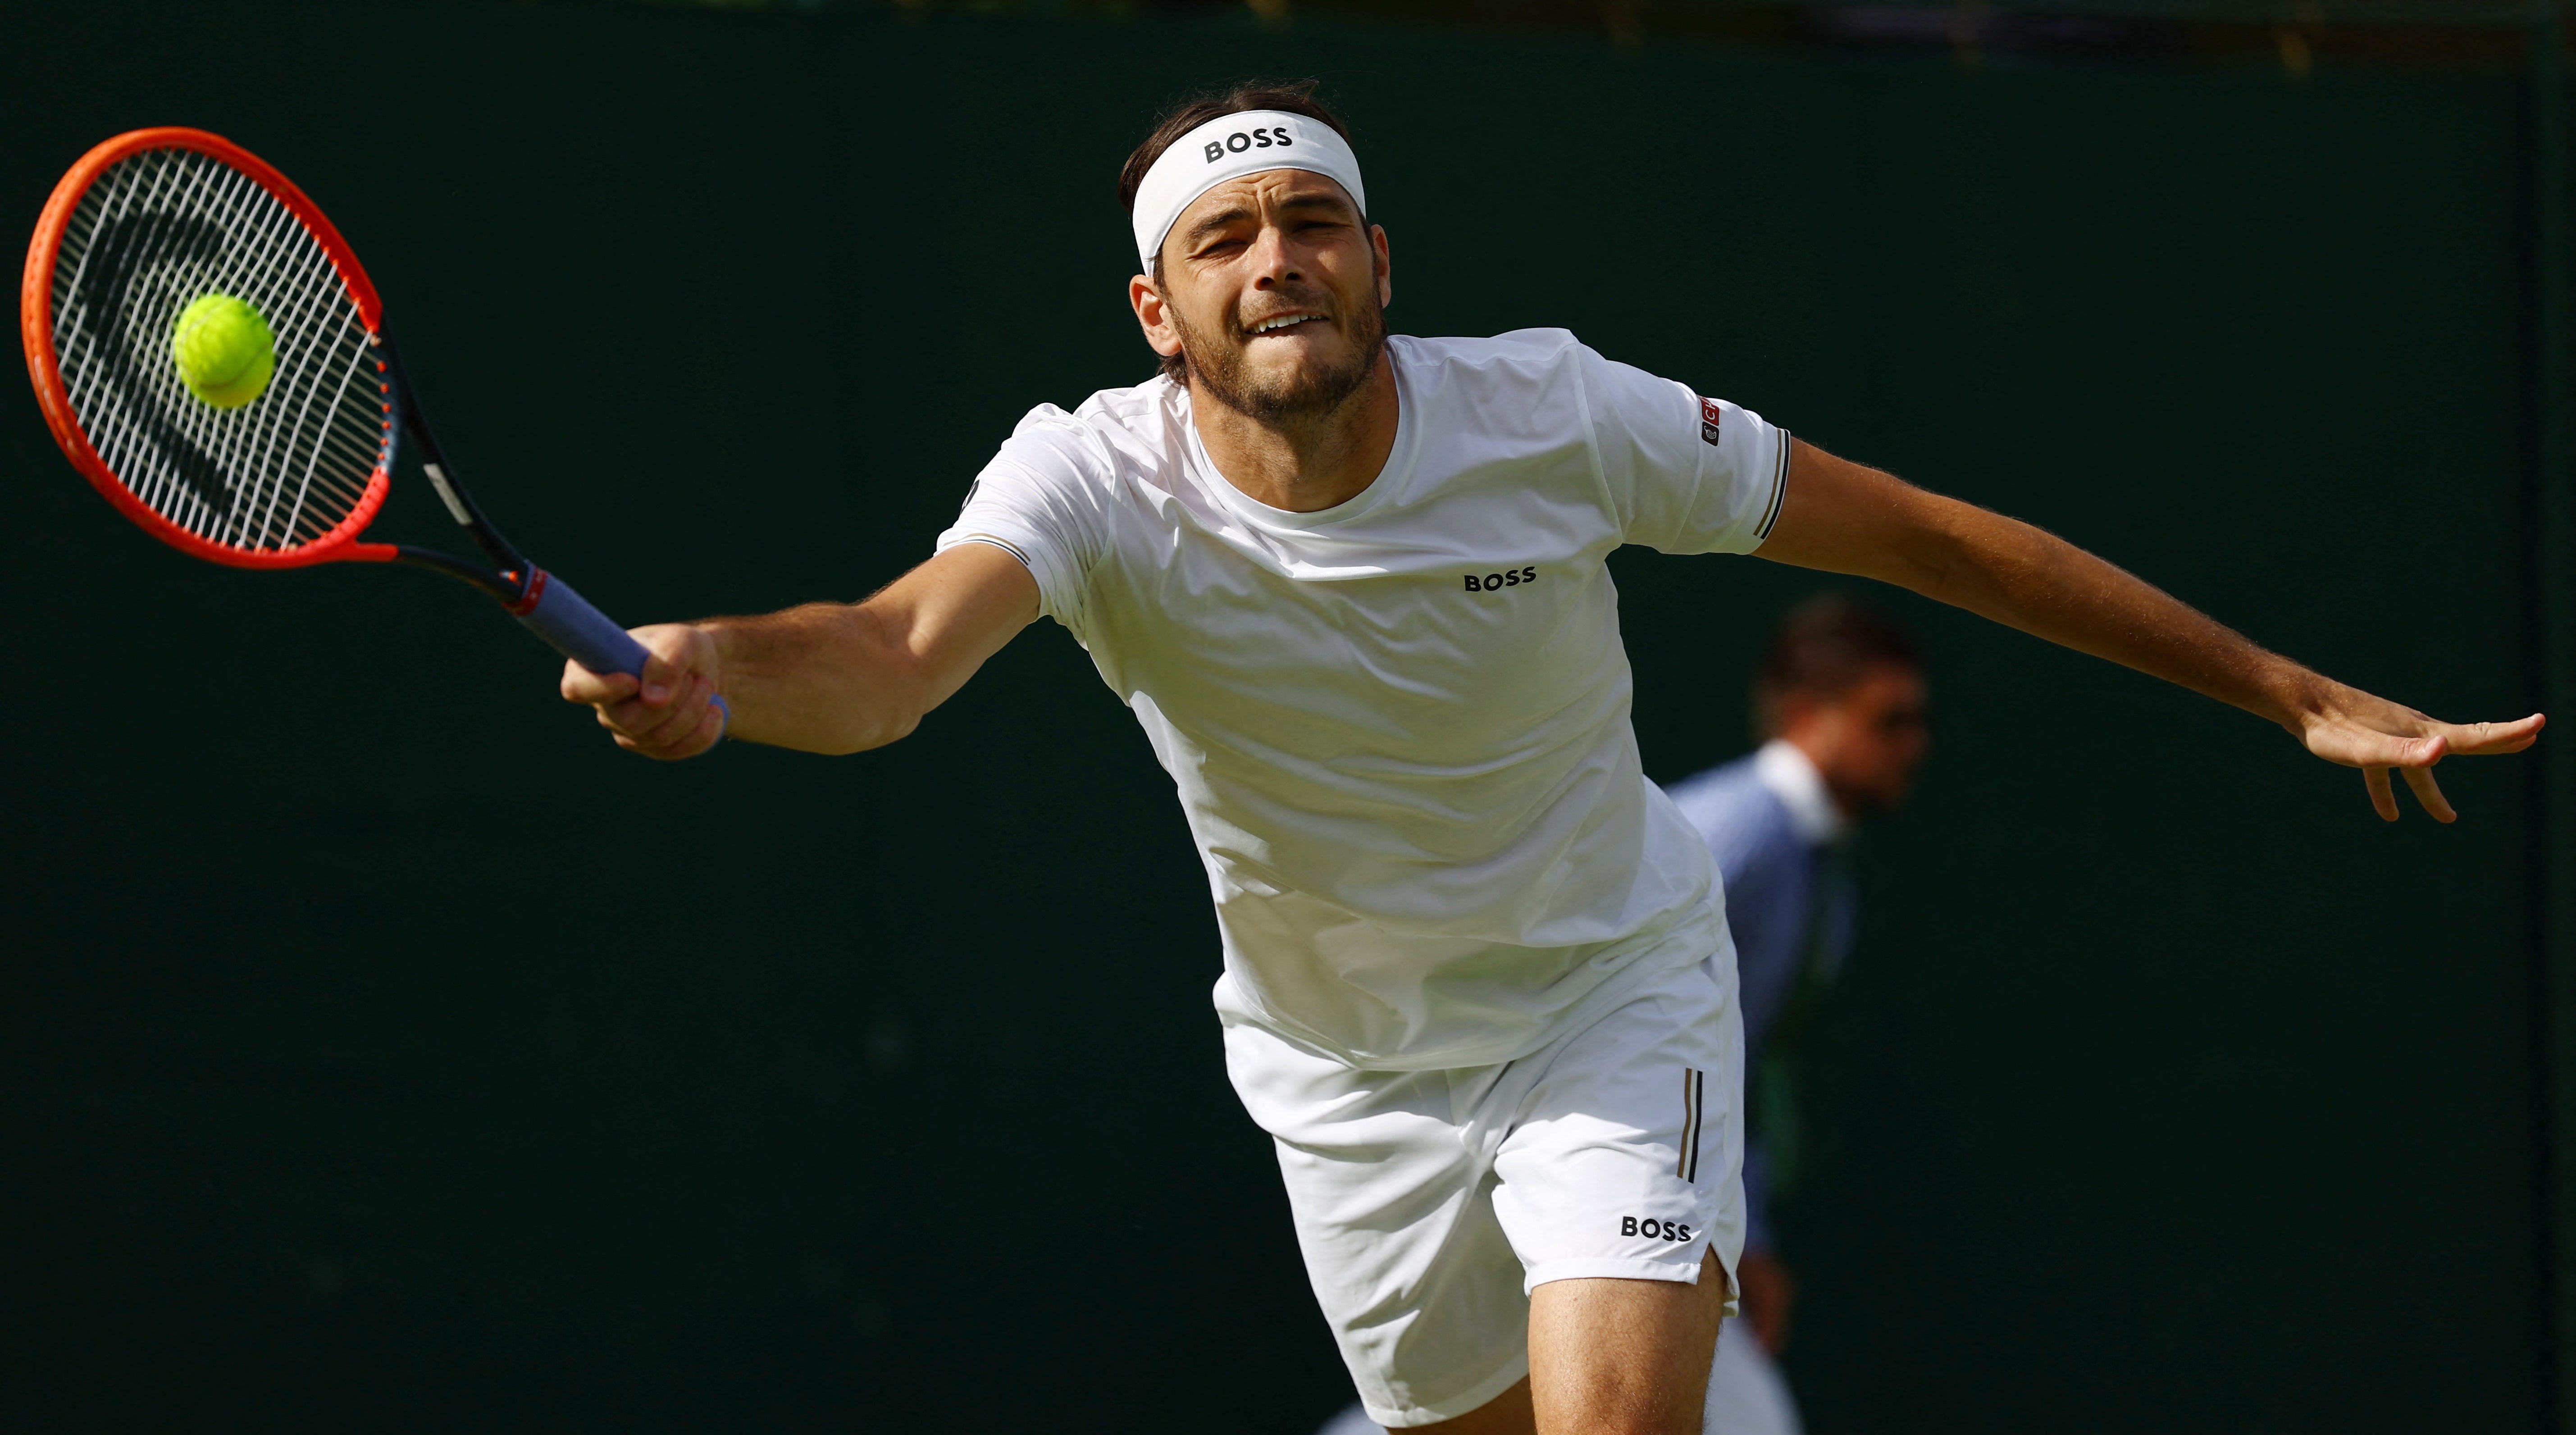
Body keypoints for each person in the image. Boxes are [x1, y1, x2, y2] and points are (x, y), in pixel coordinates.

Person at [558, 80, 2540, 1435]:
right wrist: (714, 666)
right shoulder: (1087, 478)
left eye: (1314, 220)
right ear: (1160, 310)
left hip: (1610, 994)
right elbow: (889, 656)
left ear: (1379, 260)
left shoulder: (1562, 416)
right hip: (1347, 1083)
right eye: (1229, 236)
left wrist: (2278, 683)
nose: (1279, 259)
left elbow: (1929, 538)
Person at [1664, 595, 1930, 1435]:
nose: (1914, 748)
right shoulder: (1734, 836)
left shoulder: (1819, 866)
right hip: (1605, 1190)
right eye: (1891, 721)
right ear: (1810, 716)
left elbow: (1735, 1059)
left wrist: (1749, 1229)